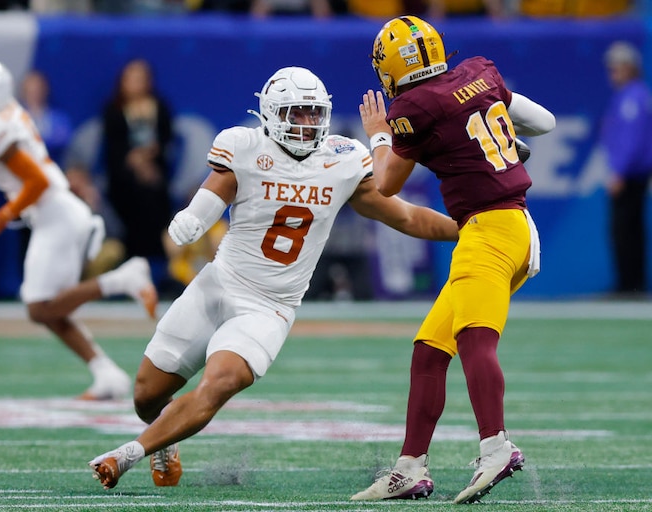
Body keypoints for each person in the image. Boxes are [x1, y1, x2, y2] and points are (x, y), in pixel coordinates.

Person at [87, 66, 459, 490]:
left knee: (217, 385)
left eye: (314, 114)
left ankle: (128, 454)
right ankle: (164, 440)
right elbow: (215, 190)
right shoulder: (245, 147)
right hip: (219, 285)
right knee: (146, 396)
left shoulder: (340, 160)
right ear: (270, 114)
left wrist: (469, 226)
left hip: (269, 307)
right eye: (296, 113)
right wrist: (194, 217)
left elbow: (408, 216)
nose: (307, 123)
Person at [349, 16, 555, 504]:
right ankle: (409, 468)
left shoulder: (412, 106)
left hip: (489, 231)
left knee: (474, 340)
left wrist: (379, 134)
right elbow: (543, 123)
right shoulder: (479, 71)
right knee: (430, 348)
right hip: (511, 227)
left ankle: (496, 447)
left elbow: (385, 183)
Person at [0, 57, 159, 400]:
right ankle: (107, 374)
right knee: (48, 308)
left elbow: (37, 182)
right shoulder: (1, 109)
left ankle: (124, 278)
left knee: (40, 306)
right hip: (54, 214)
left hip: (55, 214)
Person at [101, 59, 174, 293]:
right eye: (130, 78)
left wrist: (148, 158)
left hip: (155, 179)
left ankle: (160, 273)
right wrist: (135, 162)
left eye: (140, 78)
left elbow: (165, 141)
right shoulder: (113, 110)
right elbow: (114, 148)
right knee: (133, 202)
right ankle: (129, 272)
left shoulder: (160, 107)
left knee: (153, 199)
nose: (135, 84)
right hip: (123, 183)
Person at [600, 41, 652, 297]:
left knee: (625, 230)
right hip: (631, 173)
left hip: (630, 175)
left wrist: (620, 171)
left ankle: (630, 285)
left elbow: (632, 140)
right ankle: (631, 283)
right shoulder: (631, 96)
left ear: (630, 68)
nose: (612, 74)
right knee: (628, 229)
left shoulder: (633, 98)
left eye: (617, 68)